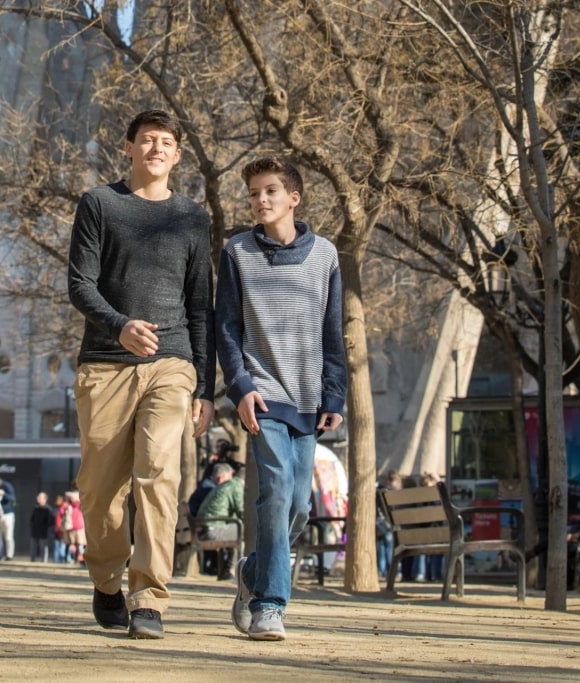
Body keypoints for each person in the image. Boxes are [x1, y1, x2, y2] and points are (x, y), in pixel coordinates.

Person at [68, 109, 215, 640]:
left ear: (177, 155)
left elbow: (201, 305)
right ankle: (106, 580)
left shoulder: (192, 217)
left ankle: (150, 597)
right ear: (128, 147)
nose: (156, 148)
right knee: (100, 492)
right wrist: (120, 324)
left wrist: (206, 387)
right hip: (105, 365)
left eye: (166, 142)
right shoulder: (100, 204)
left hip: (171, 364)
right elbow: (80, 284)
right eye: (147, 140)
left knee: (159, 477)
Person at [217, 156, 347, 641]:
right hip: (263, 394)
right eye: (253, 193)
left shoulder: (325, 256)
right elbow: (227, 330)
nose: (260, 200)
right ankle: (271, 604)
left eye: (270, 191)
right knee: (273, 494)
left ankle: (253, 571)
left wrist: (335, 393)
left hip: (310, 397)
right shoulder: (237, 252)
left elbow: (332, 332)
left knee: (298, 507)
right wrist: (241, 387)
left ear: (294, 197)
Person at [195, 462, 245, 580]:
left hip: (206, 528)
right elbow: (242, 512)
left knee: (239, 529)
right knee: (245, 532)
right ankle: (232, 571)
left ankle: (226, 570)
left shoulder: (226, 485)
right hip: (211, 530)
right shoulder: (235, 486)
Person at [0, 477, 16, 561]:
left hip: (7, 514)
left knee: (8, 537)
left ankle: (9, 555)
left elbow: (12, 498)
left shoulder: (6, 485)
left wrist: (3, 493)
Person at [29, 492, 54, 562]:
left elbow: (51, 522)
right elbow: (32, 519)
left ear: (45, 499)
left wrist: (47, 529)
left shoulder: (48, 510)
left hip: (43, 532)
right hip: (35, 531)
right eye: (38, 497)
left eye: (40, 497)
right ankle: (32, 560)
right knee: (33, 547)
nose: (38, 498)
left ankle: (44, 561)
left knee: (43, 547)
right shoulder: (36, 509)